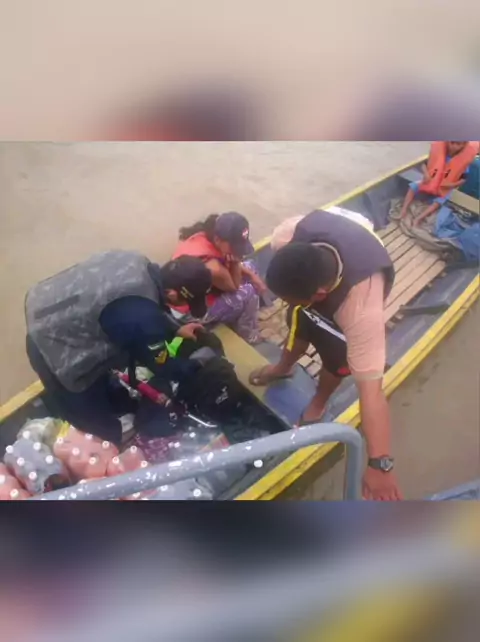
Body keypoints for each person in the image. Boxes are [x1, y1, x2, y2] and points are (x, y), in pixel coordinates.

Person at [249, 209, 402, 501]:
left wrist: (380, 465)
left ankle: (318, 403)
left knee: (335, 359)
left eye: (286, 298)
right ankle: (283, 367)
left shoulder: (360, 310)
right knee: (299, 323)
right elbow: (295, 292)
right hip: (325, 271)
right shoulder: (291, 235)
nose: (282, 302)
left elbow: (372, 393)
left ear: (319, 294)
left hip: (352, 295)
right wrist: (296, 303)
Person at [25, 250, 212, 446]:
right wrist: (197, 366)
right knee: (96, 427)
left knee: (111, 389)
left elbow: (135, 309)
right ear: (172, 293)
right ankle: (110, 443)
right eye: (187, 302)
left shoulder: (137, 262)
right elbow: (162, 363)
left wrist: (175, 328)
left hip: (50, 306)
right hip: (53, 346)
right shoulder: (140, 315)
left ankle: (118, 409)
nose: (186, 307)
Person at [172, 211, 266, 343]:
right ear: (217, 239)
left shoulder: (204, 236)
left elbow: (236, 268)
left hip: (194, 293)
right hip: (187, 314)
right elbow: (234, 287)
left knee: (250, 266)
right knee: (248, 292)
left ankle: (247, 315)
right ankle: (249, 335)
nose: (238, 250)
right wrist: (235, 263)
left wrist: (252, 275)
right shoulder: (213, 268)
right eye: (234, 246)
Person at [398, 141, 479, 226]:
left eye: (458, 144)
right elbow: (423, 164)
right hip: (431, 181)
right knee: (413, 186)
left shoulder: (464, 160)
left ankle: (418, 219)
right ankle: (403, 210)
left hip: (445, 187)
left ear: (463, 145)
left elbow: (463, 179)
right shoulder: (438, 151)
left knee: (439, 202)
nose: (454, 146)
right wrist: (426, 174)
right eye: (452, 143)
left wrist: (451, 185)